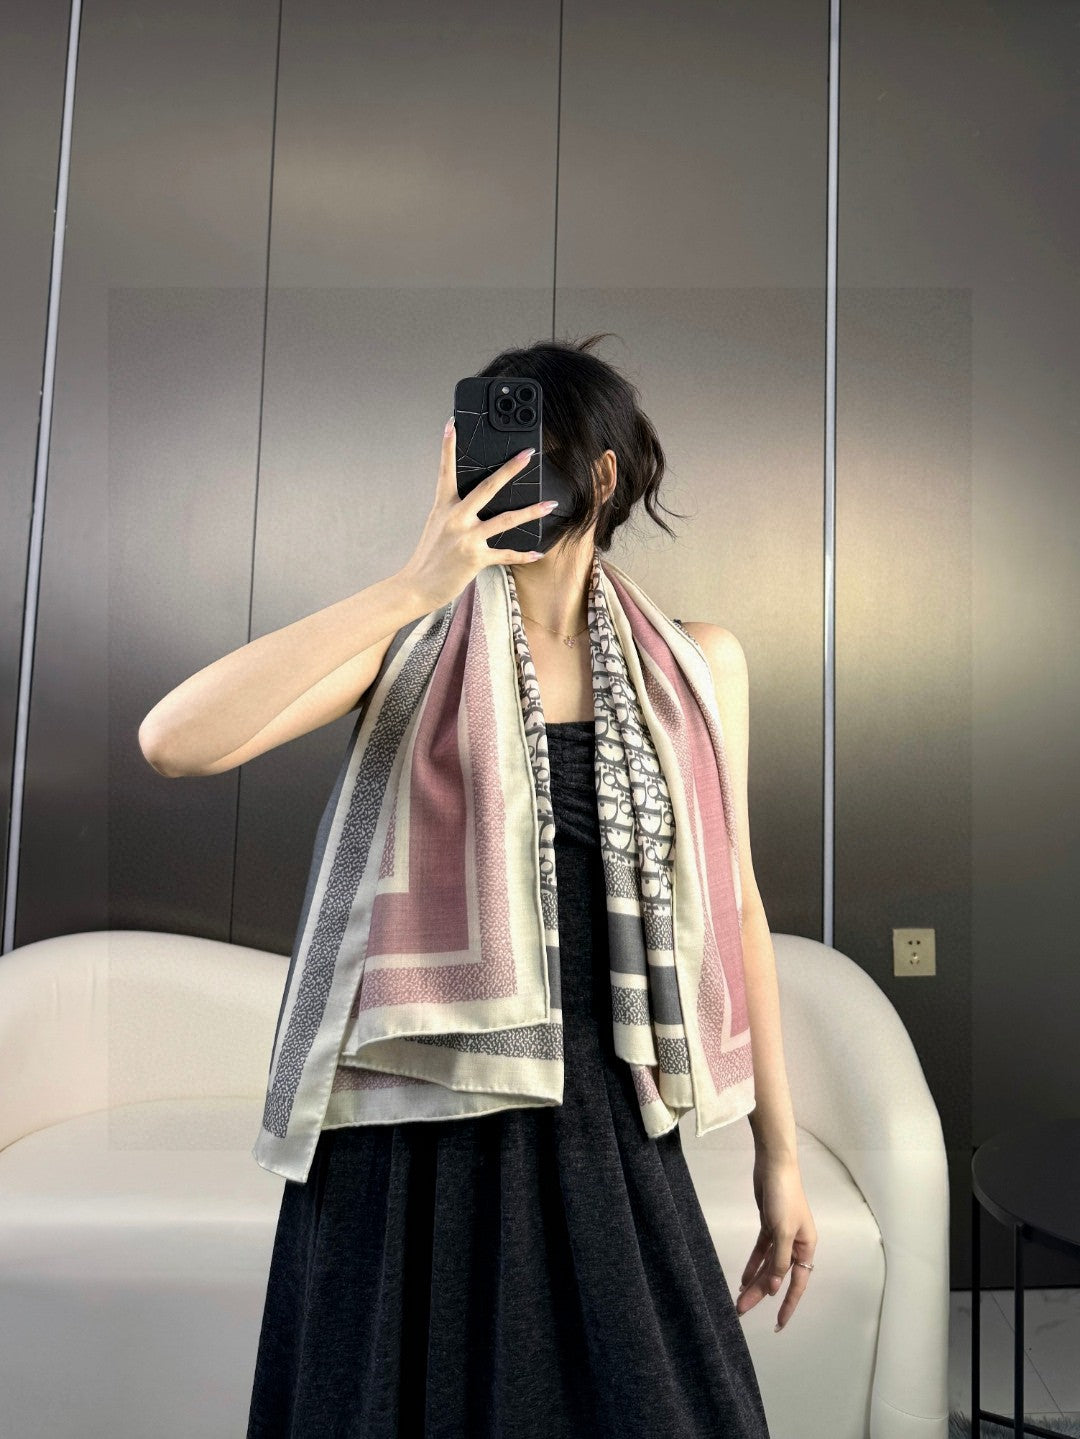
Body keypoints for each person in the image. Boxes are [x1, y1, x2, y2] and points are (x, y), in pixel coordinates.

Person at [139, 334, 816, 1438]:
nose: (496, 478)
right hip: (409, 1123)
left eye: (526, 452)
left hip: (604, 1121)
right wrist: (412, 586)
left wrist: (778, 1156)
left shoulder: (698, 664)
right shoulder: (405, 646)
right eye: (478, 452)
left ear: (601, 473)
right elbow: (174, 740)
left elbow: (739, 907)